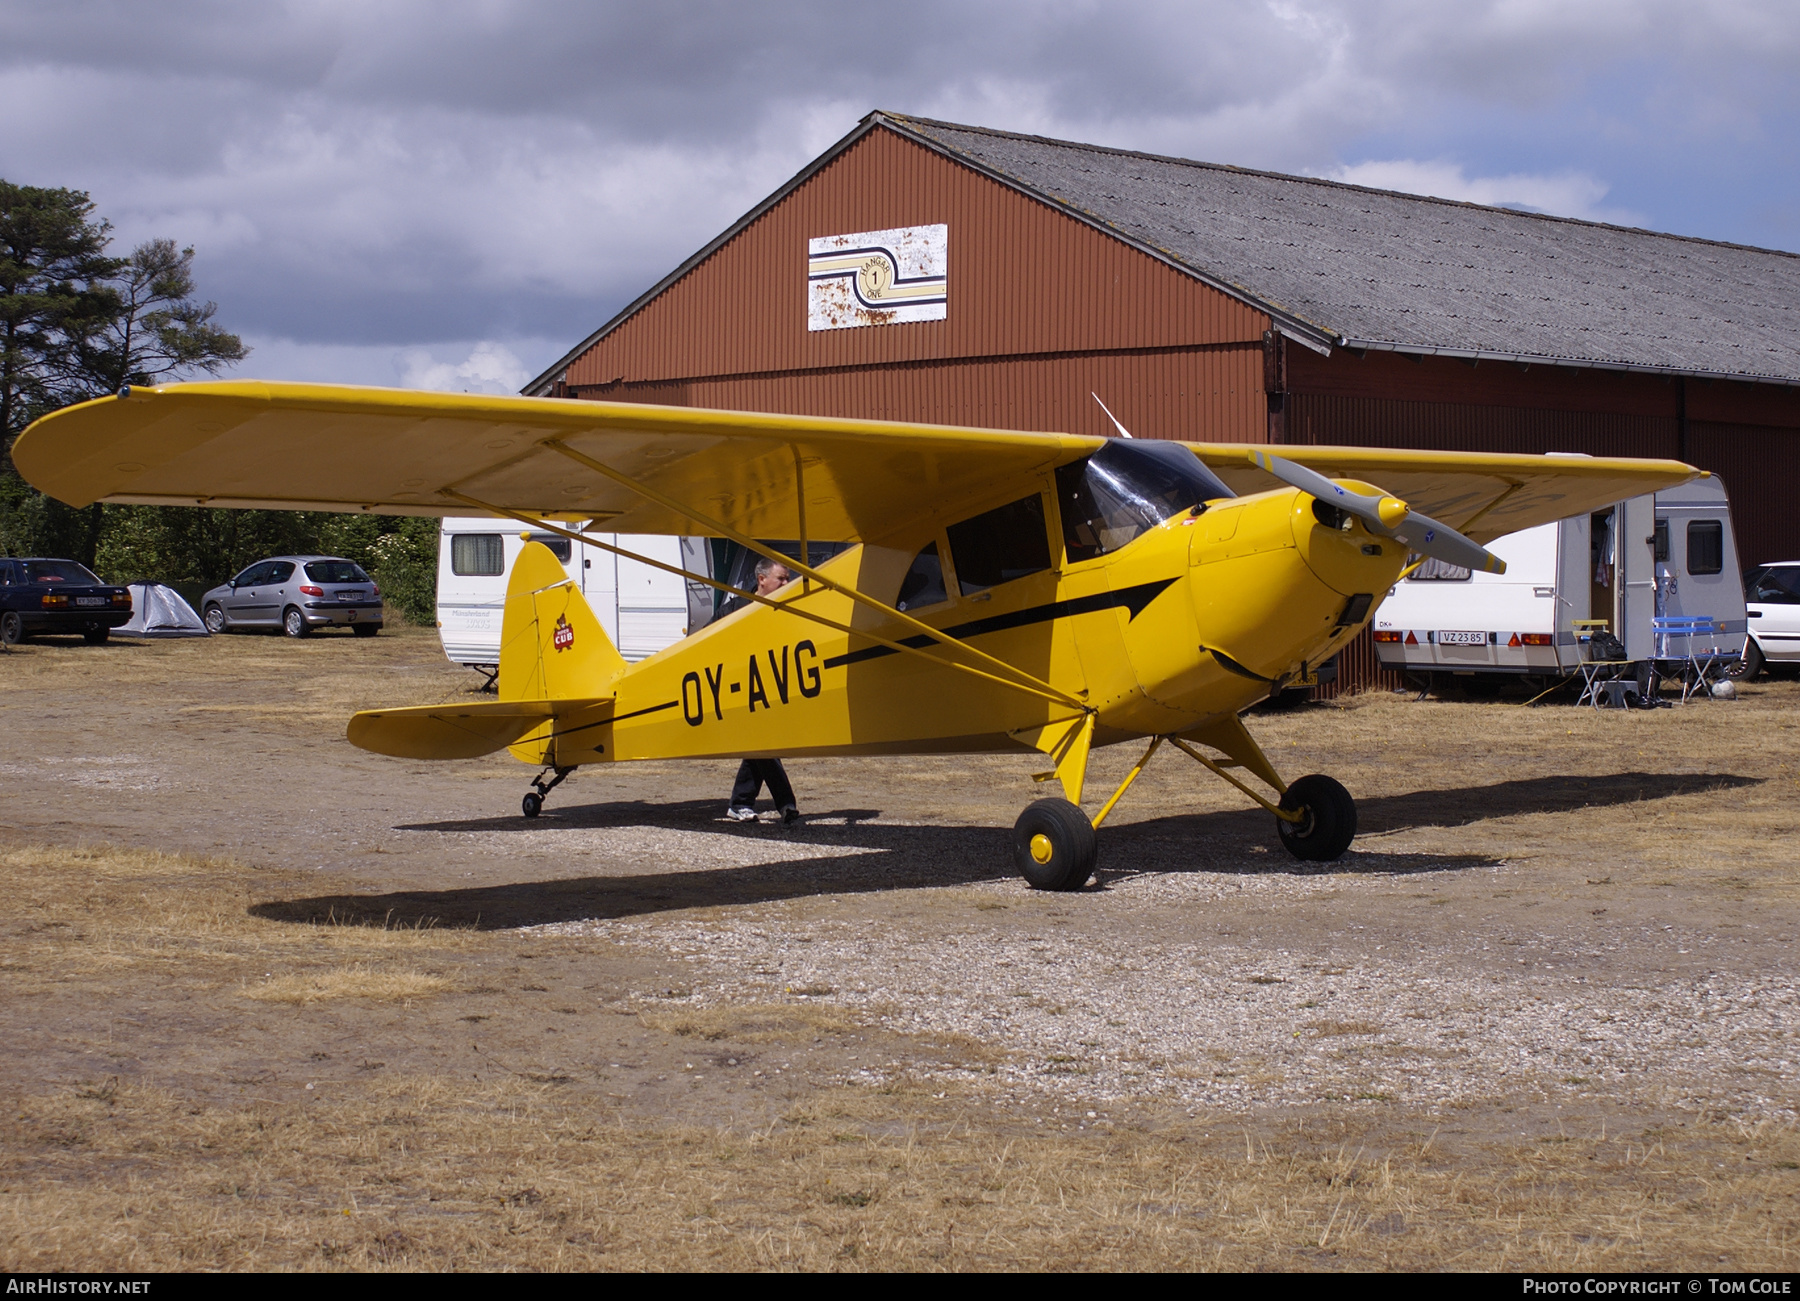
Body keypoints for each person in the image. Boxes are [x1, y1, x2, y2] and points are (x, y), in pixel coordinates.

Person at [726, 557, 801, 824]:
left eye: (787, 577)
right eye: (781, 578)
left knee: (760, 745)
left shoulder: (783, 610)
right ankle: (786, 804)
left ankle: (740, 803)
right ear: (762, 580)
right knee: (763, 743)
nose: (786, 583)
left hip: (769, 686)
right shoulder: (735, 608)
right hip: (739, 688)